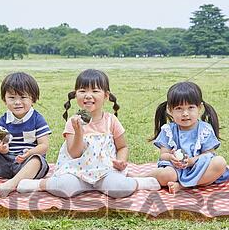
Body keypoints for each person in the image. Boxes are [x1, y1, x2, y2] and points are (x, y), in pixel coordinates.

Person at [18, 69, 160, 198]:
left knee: (120, 188)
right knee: (64, 187)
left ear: (106, 96)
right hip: (76, 172)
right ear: (76, 94)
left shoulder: (111, 120)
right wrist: (79, 131)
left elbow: (122, 147)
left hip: (105, 171)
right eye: (82, 91)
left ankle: (139, 182)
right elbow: (74, 153)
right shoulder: (72, 123)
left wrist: (121, 161)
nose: (88, 95)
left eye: (95, 91)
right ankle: (39, 185)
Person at [143, 81, 229, 194]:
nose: (185, 113)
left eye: (191, 107)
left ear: (199, 108)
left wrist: (191, 161)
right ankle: (141, 177)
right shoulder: (168, 130)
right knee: (167, 175)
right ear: (170, 110)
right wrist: (171, 158)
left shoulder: (204, 129)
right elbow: (163, 155)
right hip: (175, 169)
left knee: (220, 162)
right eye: (179, 108)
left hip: (199, 169)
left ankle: (182, 186)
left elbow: (209, 154)